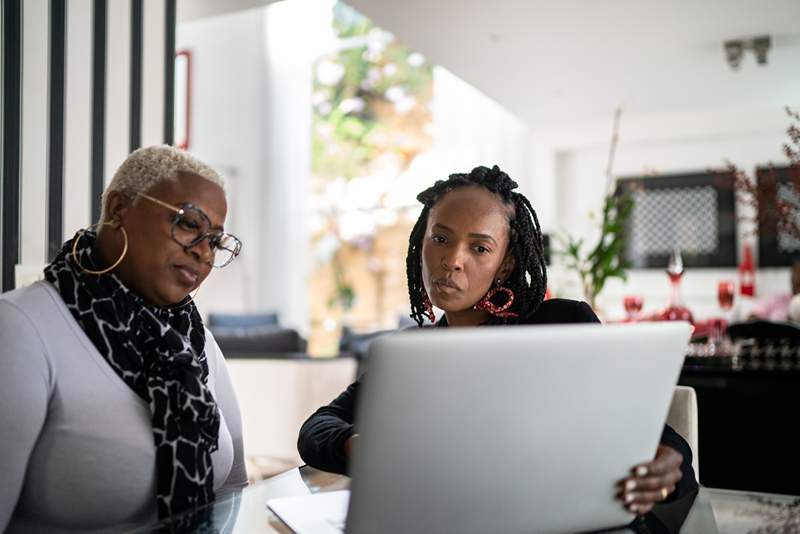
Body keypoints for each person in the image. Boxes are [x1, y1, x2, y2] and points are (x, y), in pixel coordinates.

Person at [298, 165, 697, 516]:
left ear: (505, 262)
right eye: (441, 238)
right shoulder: (412, 354)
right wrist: (357, 446)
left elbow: (666, 446)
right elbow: (316, 429)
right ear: (421, 240)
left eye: (479, 247)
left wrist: (664, 470)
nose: (452, 259)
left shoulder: (562, 326)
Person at [0, 145, 247, 532]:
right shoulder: (19, 328)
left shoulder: (193, 344)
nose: (203, 253)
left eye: (215, 241)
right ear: (118, 209)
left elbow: (232, 490)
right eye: (188, 224)